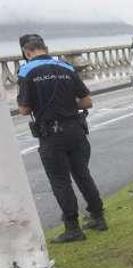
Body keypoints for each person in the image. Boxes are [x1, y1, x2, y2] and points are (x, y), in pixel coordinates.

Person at [17, 34, 106, 243]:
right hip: (76, 130)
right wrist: (66, 104)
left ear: (27, 52)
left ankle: (73, 228)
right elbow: (87, 102)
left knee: (60, 182)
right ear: (45, 48)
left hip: (51, 135)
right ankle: (98, 217)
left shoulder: (27, 71)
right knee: (83, 174)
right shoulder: (66, 67)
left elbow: (24, 109)